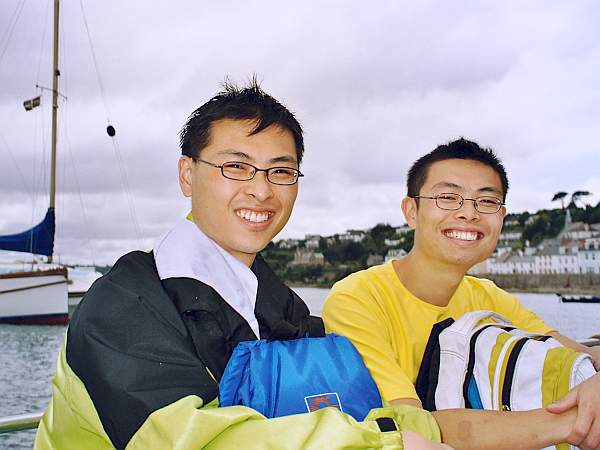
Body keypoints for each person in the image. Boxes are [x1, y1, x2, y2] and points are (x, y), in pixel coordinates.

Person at [34, 80, 451, 450]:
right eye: (236, 166)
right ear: (187, 174)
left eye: (281, 171)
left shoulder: (278, 304)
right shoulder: (123, 306)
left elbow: (333, 398)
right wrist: (388, 443)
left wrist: (428, 428)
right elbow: (187, 440)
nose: (261, 190)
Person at [323, 138, 600, 450]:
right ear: (411, 211)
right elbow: (414, 427)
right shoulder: (357, 298)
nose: (469, 213)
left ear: (502, 217)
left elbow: (578, 352)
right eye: (448, 197)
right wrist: (573, 421)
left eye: (486, 201)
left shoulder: (489, 296)